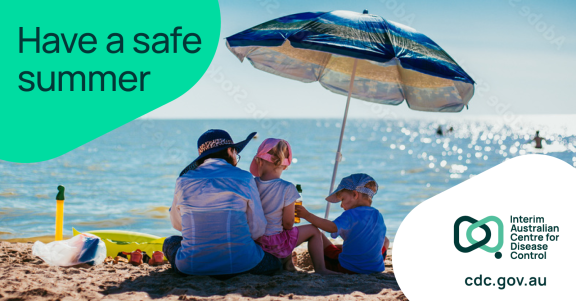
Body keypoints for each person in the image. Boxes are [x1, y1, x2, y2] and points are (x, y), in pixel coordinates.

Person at [164, 129, 281, 280]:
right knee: (274, 260)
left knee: (170, 242)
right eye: (236, 153)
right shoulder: (245, 178)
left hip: (192, 267)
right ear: (229, 150)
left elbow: (178, 225)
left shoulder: (183, 181)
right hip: (241, 265)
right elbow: (257, 228)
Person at [250, 138, 338, 275]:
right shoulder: (287, 188)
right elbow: (288, 223)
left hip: (255, 241)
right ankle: (321, 269)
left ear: (259, 161)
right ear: (285, 166)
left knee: (286, 234)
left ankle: (288, 264)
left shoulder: (251, 184)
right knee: (313, 231)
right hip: (274, 243)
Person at [295, 173, 389, 274]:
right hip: (374, 267)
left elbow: (331, 227)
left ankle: (321, 270)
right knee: (386, 240)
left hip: (348, 267)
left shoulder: (350, 214)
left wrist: (307, 215)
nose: (341, 205)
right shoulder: (378, 214)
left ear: (355, 194)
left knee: (318, 234)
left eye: (342, 199)